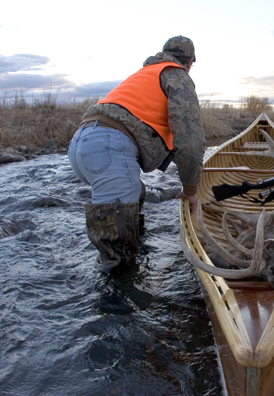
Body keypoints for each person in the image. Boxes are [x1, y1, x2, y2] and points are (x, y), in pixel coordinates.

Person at [68, 36, 206, 272]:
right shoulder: (177, 75)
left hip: (81, 145)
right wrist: (191, 191)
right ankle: (118, 302)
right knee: (117, 259)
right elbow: (191, 140)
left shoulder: (145, 74)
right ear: (190, 61)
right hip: (109, 148)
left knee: (133, 212)